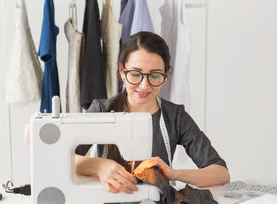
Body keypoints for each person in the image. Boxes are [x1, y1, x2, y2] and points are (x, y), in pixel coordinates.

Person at [75, 31, 230, 194]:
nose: (144, 86)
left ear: (167, 74)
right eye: (135, 74)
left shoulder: (175, 117)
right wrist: (98, 166)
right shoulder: (102, 111)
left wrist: (174, 174)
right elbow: (60, 158)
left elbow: (221, 173)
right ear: (122, 71)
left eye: (155, 75)